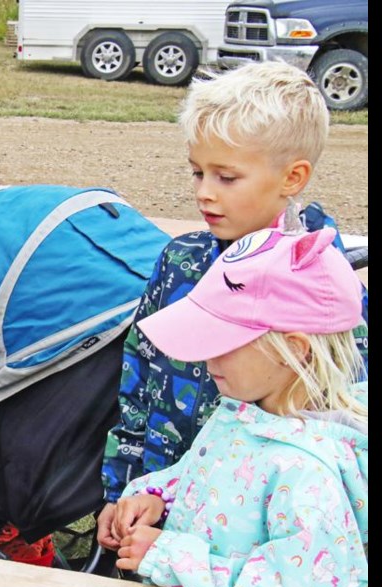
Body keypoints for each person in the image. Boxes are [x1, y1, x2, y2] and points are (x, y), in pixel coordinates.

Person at [97, 61, 369, 550]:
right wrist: (123, 490)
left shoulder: (328, 294)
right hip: (159, 509)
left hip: (255, 543)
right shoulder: (180, 262)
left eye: (226, 177)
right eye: (198, 172)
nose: (204, 192)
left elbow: (344, 426)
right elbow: (138, 381)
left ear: (292, 177)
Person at [110, 228, 367, 587]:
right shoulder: (241, 413)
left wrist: (168, 557)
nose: (206, 355)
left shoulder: (308, 476)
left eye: (223, 340)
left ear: (295, 350)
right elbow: (206, 477)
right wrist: (156, 498)